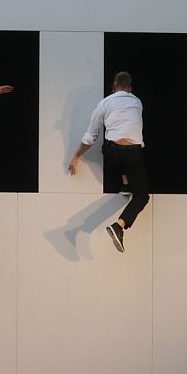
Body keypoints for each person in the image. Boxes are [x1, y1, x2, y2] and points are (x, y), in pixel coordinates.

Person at [68, 71, 149, 253]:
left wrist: (76, 156)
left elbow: (91, 136)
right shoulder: (137, 102)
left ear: (113, 87)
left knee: (114, 149)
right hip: (134, 153)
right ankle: (119, 225)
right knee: (142, 196)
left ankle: (126, 185)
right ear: (130, 88)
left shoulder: (105, 103)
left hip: (112, 152)